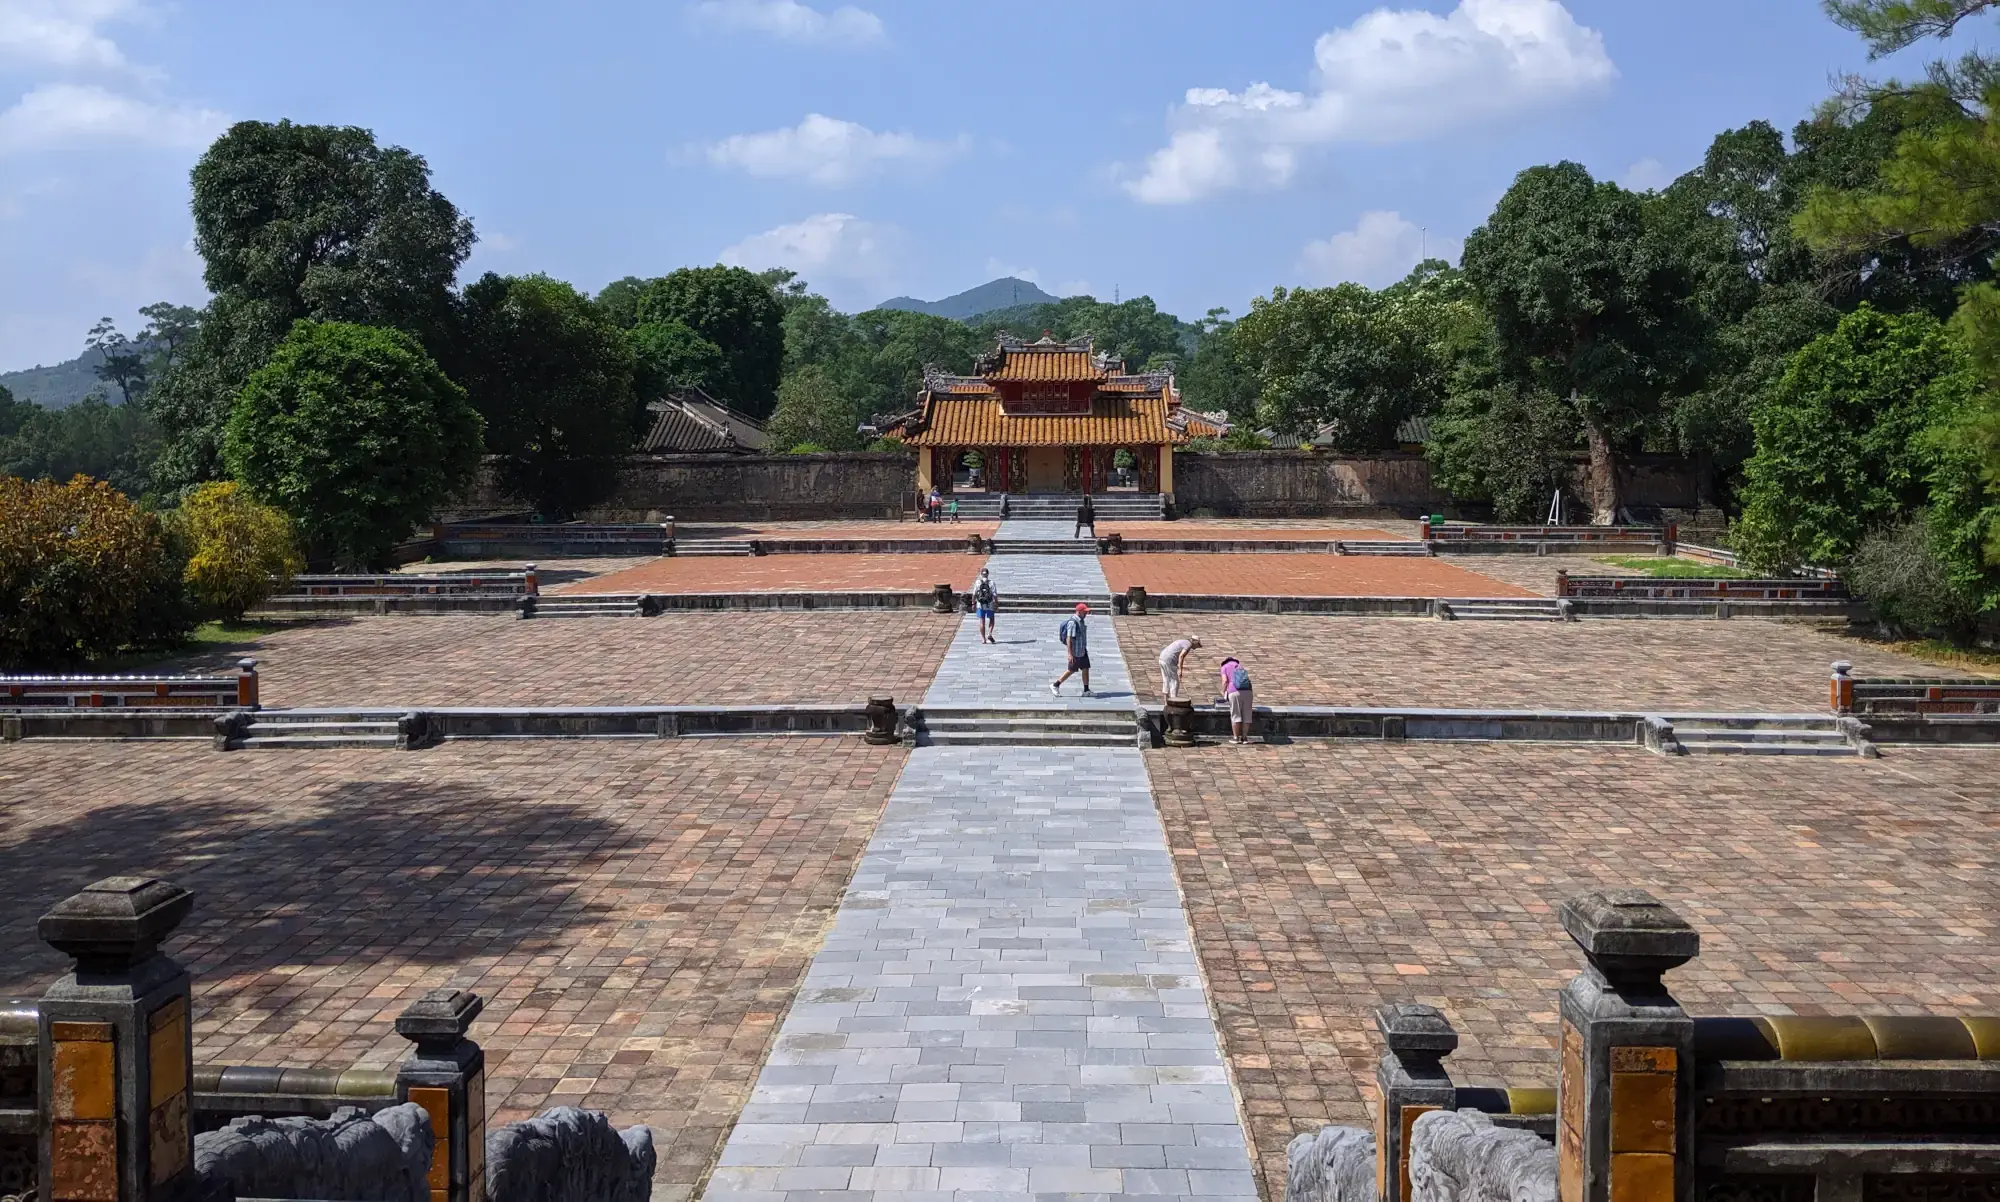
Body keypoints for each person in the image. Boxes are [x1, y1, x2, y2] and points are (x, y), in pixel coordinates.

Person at [1051, 602, 1092, 697]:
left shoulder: (1081, 621)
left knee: (1086, 668)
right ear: (1079, 611)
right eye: (1084, 612)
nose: (1086, 614)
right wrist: (1070, 654)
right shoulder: (1072, 623)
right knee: (1071, 670)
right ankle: (1055, 685)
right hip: (1076, 652)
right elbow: (1068, 638)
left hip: (1082, 650)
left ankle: (1086, 690)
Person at [1219, 655, 1254, 744]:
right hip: (1248, 691)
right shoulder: (1240, 666)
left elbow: (1225, 681)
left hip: (1234, 691)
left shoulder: (1224, 667)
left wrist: (1223, 692)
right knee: (1247, 715)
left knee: (1235, 714)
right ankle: (1245, 738)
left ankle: (1236, 738)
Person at [1158, 636, 1201, 702]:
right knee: (1174, 681)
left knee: (1166, 679)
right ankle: (1174, 701)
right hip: (1169, 661)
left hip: (1162, 658)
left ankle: (1166, 703)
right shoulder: (1188, 644)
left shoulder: (1182, 641)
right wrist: (1180, 669)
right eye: (1197, 645)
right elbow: (1181, 656)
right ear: (1195, 642)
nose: (1196, 647)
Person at [972, 568, 999, 643]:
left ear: (981, 574)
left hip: (980, 604)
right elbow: (995, 595)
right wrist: (996, 603)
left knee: (982, 621)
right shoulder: (991, 583)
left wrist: (973, 603)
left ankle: (983, 639)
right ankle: (989, 633)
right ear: (988, 574)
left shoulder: (978, 582)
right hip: (989, 604)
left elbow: (974, 594)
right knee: (992, 619)